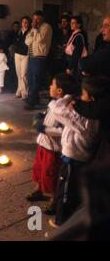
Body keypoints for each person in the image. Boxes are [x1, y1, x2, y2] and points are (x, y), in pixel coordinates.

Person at [49, 76, 101, 228]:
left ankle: (62, 223)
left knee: (65, 191)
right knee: (71, 189)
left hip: (74, 157)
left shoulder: (86, 116)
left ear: (90, 97)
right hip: (76, 156)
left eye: (82, 94)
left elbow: (59, 111)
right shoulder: (89, 113)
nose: (79, 98)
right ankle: (68, 218)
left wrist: (68, 98)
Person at [26, 74, 78, 215]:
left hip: (53, 148)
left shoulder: (66, 108)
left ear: (60, 90)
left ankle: (54, 200)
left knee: (51, 174)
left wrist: (45, 129)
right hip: (43, 144)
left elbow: (63, 130)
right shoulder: (54, 102)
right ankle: (39, 190)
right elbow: (47, 115)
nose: (49, 86)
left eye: (52, 85)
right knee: (39, 169)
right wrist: (41, 117)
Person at [25, 11, 53, 110]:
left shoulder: (46, 27)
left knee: (36, 80)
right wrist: (34, 32)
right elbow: (27, 41)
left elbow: (40, 39)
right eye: (34, 19)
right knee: (30, 79)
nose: (35, 21)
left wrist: (35, 30)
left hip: (39, 57)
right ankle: (34, 99)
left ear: (42, 18)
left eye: (37, 19)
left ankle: (31, 102)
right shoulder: (34, 29)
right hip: (31, 57)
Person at [14, 16, 31, 100]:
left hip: (25, 54)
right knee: (18, 73)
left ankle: (25, 93)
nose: (25, 23)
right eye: (23, 22)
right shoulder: (18, 31)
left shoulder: (30, 31)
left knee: (23, 74)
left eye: (26, 22)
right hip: (17, 54)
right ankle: (19, 90)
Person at [49, 14, 71, 79]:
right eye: (62, 22)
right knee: (55, 72)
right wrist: (58, 46)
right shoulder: (57, 32)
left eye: (65, 21)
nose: (63, 23)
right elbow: (53, 42)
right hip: (57, 55)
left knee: (64, 74)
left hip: (67, 57)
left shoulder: (71, 32)